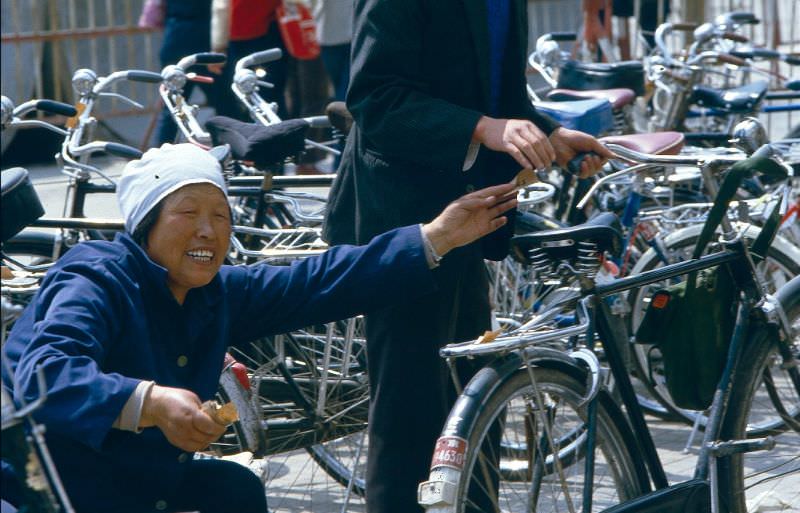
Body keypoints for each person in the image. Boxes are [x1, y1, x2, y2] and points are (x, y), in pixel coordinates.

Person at [0, 143, 516, 513]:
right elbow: (47, 374)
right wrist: (152, 402)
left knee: (234, 490)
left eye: (222, 215)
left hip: (133, 481)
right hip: (41, 482)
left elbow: (314, 282)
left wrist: (435, 238)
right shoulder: (95, 275)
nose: (209, 229)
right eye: (188, 212)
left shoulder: (216, 291)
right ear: (145, 225)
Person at [322, 1, 613, 512]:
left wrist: (547, 134)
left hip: (473, 217)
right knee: (409, 419)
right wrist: (481, 128)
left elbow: (496, 92)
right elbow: (375, 99)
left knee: (472, 405)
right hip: (405, 224)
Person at [154, 0, 239, 145]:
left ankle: (161, 157)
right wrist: (219, 47)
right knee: (226, 105)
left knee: (174, 108)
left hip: (175, 39)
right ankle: (234, 156)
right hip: (206, 45)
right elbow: (220, 7)